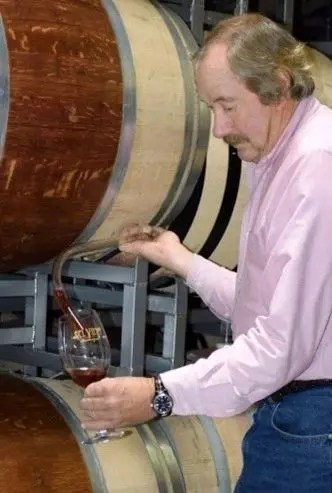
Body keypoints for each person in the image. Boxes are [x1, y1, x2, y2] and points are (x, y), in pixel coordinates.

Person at [80, 13, 332, 492]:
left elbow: (280, 344)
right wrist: (176, 256)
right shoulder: (281, 157)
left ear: (277, 85)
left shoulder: (316, 169)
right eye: (210, 108)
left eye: (227, 105)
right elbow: (264, 302)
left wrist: (160, 395)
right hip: (299, 412)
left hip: (314, 421)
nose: (218, 129)